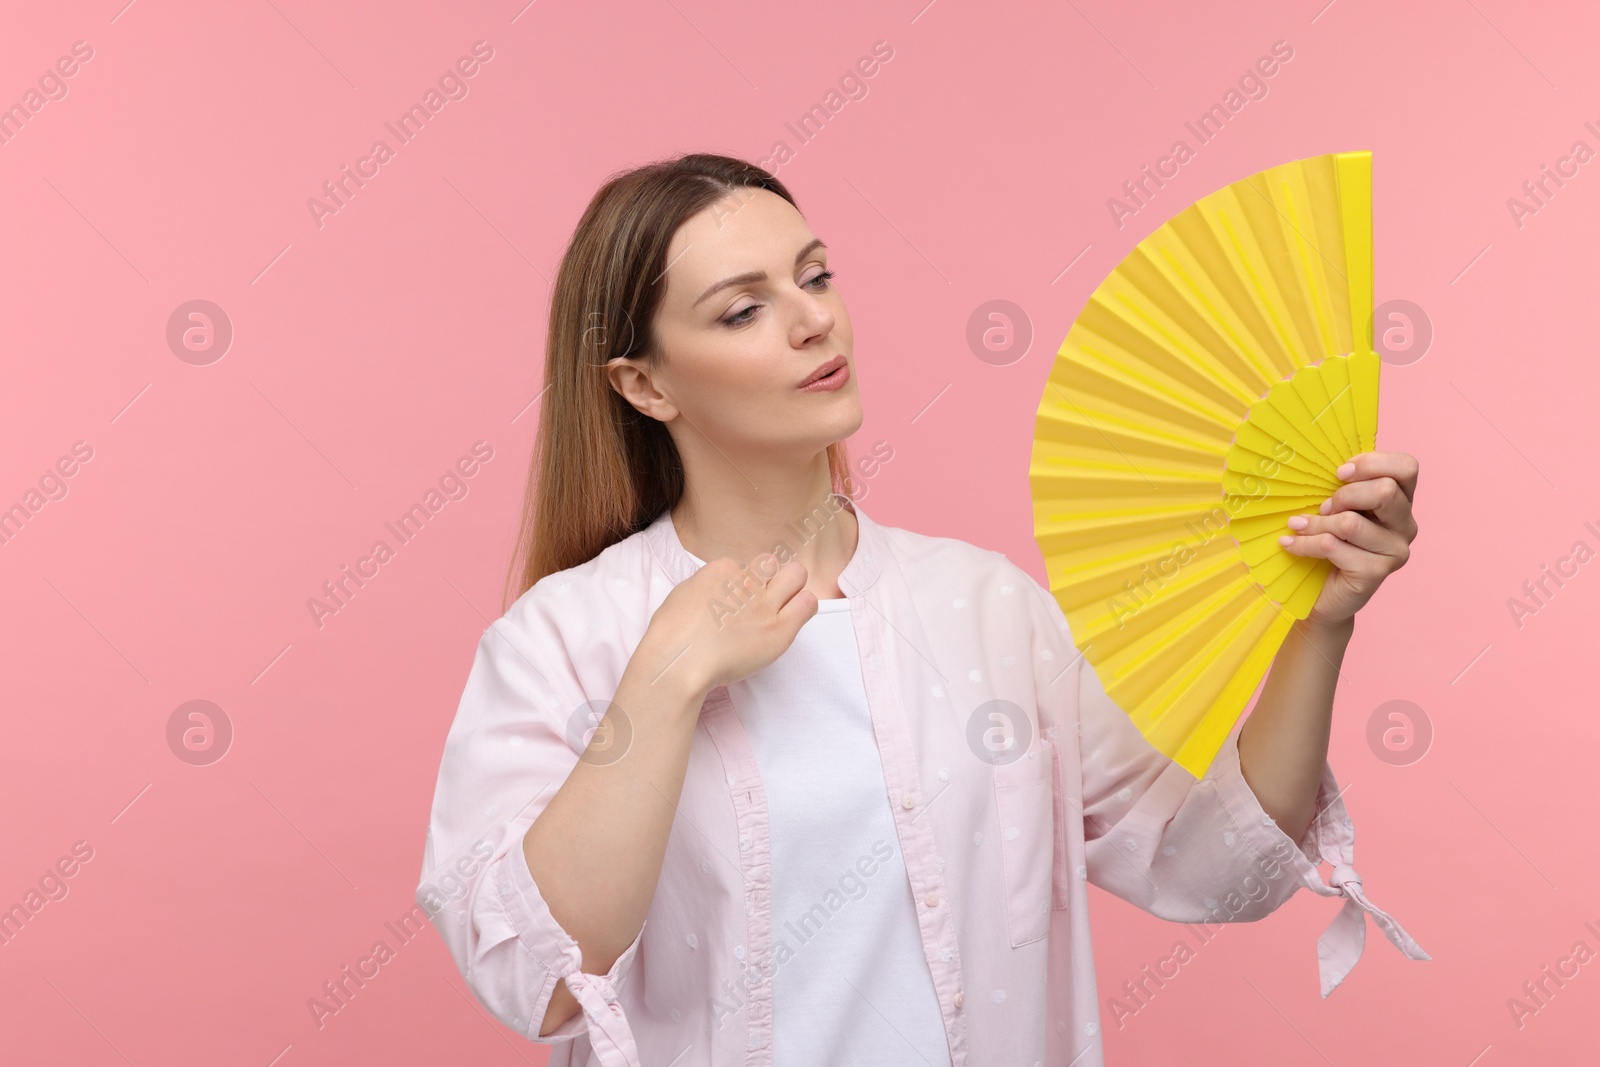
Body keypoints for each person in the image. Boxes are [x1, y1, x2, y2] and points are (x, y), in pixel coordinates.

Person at [415, 152, 1429, 1067]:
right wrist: (670, 673)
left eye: (814, 275)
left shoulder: (984, 607)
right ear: (644, 384)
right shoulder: (565, 638)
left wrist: (1320, 619)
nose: (813, 318)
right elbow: (537, 981)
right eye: (741, 309)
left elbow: (1216, 869)